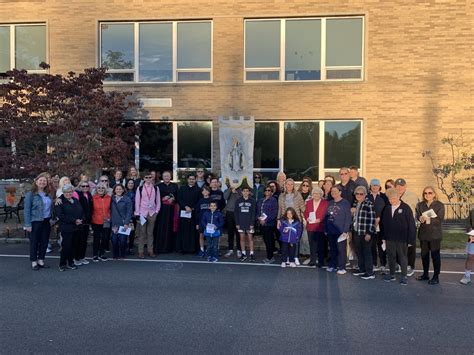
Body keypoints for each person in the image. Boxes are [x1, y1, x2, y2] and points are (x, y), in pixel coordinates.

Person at [380, 188, 416, 285]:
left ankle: (404, 276)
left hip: (402, 239)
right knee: (391, 257)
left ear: (398, 197)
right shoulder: (387, 209)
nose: (392, 201)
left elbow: (411, 225)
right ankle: (392, 274)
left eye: (394, 198)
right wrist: (383, 237)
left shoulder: (406, 208)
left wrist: (410, 240)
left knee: (402, 257)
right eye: (390, 199)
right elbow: (383, 224)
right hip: (389, 238)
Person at [415, 186, 445, 285]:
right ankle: (425, 274)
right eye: (425, 193)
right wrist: (420, 218)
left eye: (430, 193)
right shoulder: (420, 205)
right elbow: (417, 216)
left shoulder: (439, 205)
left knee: (435, 256)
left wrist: (427, 218)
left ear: (434, 194)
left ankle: (436, 276)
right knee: (424, 255)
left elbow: (439, 219)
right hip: (423, 234)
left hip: (435, 235)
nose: (427, 195)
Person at [24, 172, 53, 270]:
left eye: (44, 181)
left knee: (44, 242)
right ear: (36, 182)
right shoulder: (31, 194)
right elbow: (27, 210)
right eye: (40, 180)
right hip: (35, 221)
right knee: (34, 242)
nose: (42, 182)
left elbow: (51, 206)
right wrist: (28, 224)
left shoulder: (48, 194)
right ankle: (34, 262)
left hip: (46, 221)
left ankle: (41, 260)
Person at [55, 184, 84, 271]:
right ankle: (62, 263)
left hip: (77, 227)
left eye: (70, 191)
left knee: (73, 246)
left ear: (73, 192)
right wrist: (74, 220)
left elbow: (82, 211)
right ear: (63, 193)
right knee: (66, 246)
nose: (68, 193)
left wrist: (81, 219)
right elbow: (60, 215)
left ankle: (71, 263)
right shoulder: (60, 202)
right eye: (66, 192)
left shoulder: (75, 200)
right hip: (66, 228)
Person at [395, 178, 419, 277]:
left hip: (409, 225)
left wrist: (417, 223)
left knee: (410, 246)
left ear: (405, 186)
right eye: (398, 185)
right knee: (398, 246)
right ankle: (399, 263)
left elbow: (418, 210)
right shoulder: (393, 196)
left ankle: (410, 266)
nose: (400, 187)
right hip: (396, 225)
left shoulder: (412, 196)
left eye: (402, 185)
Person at [351, 186, 377, 279]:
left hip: (365, 232)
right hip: (356, 231)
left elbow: (372, 219)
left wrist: (369, 233)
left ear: (365, 195)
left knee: (367, 252)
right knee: (359, 252)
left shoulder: (368, 204)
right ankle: (362, 269)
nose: (358, 195)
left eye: (361, 194)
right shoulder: (355, 203)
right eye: (357, 193)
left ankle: (370, 273)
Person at [278, 178, 305, 265]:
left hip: (296, 221)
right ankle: (287, 258)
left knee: (295, 239)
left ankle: (295, 257)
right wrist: (278, 219)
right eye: (288, 184)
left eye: (291, 184)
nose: (289, 186)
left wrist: (306, 217)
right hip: (285, 221)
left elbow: (303, 207)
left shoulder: (298, 195)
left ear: (294, 185)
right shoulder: (281, 196)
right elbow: (280, 209)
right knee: (286, 240)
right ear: (285, 185)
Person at [325, 186, 352, 274]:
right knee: (332, 249)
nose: (333, 193)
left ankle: (342, 267)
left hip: (341, 231)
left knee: (341, 249)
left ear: (340, 192)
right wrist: (326, 228)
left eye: (335, 191)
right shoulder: (330, 203)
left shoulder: (345, 203)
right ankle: (333, 265)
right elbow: (327, 216)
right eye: (332, 191)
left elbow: (348, 217)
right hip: (331, 230)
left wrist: (345, 230)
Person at [135, 172, 161, 258]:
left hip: (152, 213)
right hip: (142, 213)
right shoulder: (140, 188)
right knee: (142, 233)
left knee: (150, 233)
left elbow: (158, 201)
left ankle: (150, 250)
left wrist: (156, 212)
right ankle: (141, 251)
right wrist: (138, 214)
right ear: (144, 179)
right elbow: (137, 201)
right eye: (146, 177)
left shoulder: (156, 188)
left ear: (152, 178)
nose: (148, 179)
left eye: (150, 177)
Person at [367, 179, 389, 273]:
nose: (375, 187)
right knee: (371, 244)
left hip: (381, 224)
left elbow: (387, 209)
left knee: (381, 245)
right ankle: (374, 263)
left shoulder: (384, 196)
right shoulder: (367, 196)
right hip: (370, 224)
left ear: (379, 187)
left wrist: (380, 218)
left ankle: (383, 264)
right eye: (373, 186)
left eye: (376, 186)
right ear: (370, 187)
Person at [155, 171, 179, 254]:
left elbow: (178, 197)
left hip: (172, 210)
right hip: (162, 210)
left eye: (168, 176)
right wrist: (162, 198)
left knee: (171, 228)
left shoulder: (175, 186)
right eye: (165, 176)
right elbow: (155, 198)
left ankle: (170, 247)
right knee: (162, 228)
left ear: (170, 177)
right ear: (162, 177)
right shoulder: (158, 186)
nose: (166, 178)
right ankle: (161, 247)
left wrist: (174, 199)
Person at [176, 174, 200, 254]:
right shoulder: (182, 188)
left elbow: (199, 201)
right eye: (190, 179)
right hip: (184, 212)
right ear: (187, 180)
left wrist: (192, 208)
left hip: (193, 213)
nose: (191, 180)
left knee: (193, 231)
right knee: (183, 230)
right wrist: (185, 206)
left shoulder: (198, 189)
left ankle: (192, 249)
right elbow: (179, 199)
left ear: (195, 180)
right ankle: (183, 249)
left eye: (193, 179)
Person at [304, 187, 328, 268]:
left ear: (321, 195)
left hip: (320, 226)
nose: (316, 195)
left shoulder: (325, 203)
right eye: (314, 193)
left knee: (320, 245)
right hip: (310, 226)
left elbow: (326, 214)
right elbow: (305, 212)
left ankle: (321, 261)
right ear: (312, 195)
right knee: (312, 244)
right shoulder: (309, 202)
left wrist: (320, 219)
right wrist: (307, 218)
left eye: (318, 194)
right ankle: (313, 260)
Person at [110, 184, 133, 260]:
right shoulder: (111, 199)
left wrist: (126, 222)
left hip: (124, 223)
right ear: (114, 190)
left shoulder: (127, 199)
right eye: (117, 189)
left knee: (123, 240)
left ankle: (123, 254)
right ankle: (115, 255)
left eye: (120, 189)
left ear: (123, 190)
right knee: (114, 240)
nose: (119, 190)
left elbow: (129, 212)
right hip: (114, 224)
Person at [256, 185, 278, 264]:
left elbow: (274, 212)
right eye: (266, 190)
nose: (267, 192)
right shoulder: (260, 200)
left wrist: (266, 220)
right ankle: (270, 255)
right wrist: (258, 218)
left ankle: (270, 257)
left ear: (271, 192)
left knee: (269, 241)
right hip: (261, 224)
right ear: (264, 192)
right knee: (266, 240)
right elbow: (257, 211)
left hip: (269, 224)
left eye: (269, 190)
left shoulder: (273, 200)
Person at [74, 179, 93, 266]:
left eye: (87, 186)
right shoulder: (76, 194)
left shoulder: (89, 195)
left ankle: (82, 257)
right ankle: (76, 258)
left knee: (84, 240)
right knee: (78, 240)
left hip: (87, 221)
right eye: (83, 186)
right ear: (80, 187)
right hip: (80, 221)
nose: (85, 187)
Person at [235, 186, 257, 261]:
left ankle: (251, 253)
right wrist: (237, 223)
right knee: (242, 239)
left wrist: (252, 223)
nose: (245, 192)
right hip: (241, 223)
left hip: (249, 223)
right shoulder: (238, 201)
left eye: (247, 191)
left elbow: (253, 213)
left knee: (250, 238)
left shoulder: (252, 201)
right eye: (244, 191)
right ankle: (243, 253)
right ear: (241, 192)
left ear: (249, 192)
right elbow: (236, 213)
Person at [91, 183, 111, 262]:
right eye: (99, 188)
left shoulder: (109, 198)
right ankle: (95, 254)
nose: (100, 189)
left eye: (102, 188)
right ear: (96, 189)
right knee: (96, 238)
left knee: (105, 238)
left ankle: (101, 254)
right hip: (96, 221)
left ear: (105, 189)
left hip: (106, 221)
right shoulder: (93, 198)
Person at [223, 185, 242, 258]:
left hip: (238, 212)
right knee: (230, 232)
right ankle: (230, 249)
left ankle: (239, 250)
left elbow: (240, 200)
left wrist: (235, 192)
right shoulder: (227, 190)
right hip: (229, 212)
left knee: (238, 232)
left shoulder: (240, 190)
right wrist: (230, 189)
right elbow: (225, 197)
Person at [196, 186, 212, 257]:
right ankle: (201, 250)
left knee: (209, 236)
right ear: (202, 192)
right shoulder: (200, 201)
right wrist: (197, 223)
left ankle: (208, 250)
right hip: (201, 222)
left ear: (209, 192)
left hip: (209, 222)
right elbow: (197, 212)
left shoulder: (211, 200)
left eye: (206, 190)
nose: (205, 192)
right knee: (201, 235)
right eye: (204, 191)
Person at [460, 209, 474, 285]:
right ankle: (467, 276)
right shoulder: (473, 211)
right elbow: (468, 223)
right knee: (470, 256)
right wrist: (470, 229)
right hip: (473, 236)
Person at [125, 179, 137, 254]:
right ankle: (124, 247)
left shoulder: (136, 193)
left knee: (132, 232)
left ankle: (130, 247)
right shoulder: (124, 193)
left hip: (133, 215)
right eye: (129, 183)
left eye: (132, 183)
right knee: (125, 231)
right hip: (125, 215)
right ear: (127, 184)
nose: (130, 184)